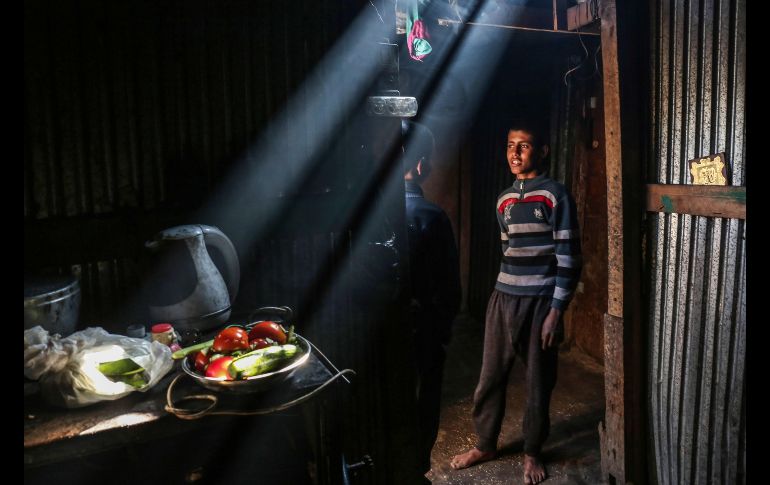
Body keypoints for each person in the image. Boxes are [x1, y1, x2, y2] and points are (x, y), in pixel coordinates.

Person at [449, 121, 582, 484]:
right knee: (490, 377)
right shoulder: (505, 199)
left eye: (524, 146)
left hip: (540, 303)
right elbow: (507, 248)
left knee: (539, 381)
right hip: (503, 297)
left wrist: (556, 311)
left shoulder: (555, 196)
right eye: (510, 145)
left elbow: (569, 258)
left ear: (542, 152)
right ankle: (486, 442)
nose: (515, 153)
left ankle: (533, 451)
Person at [401, 120, 462, 482]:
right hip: (422, 331)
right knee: (423, 399)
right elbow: (448, 287)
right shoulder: (432, 217)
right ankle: (415, 468)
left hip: (379, 335)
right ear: (423, 166)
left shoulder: (370, 214)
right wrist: (443, 330)